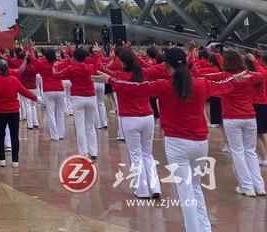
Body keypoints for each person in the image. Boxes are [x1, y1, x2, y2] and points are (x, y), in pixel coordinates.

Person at [96, 48, 251, 232]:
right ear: (186, 63)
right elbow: (222, 85)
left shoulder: (164, 86)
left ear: (167, 66)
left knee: (185, 192)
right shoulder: (201, 84)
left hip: (177, 144)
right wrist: (235, 79)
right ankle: (204, 228)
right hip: (200, 143)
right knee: (195, 188)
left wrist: (111, 80)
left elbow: (136, 88)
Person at [197, 51, 266, 197]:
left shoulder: (224, 76)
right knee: (250, 152)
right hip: (250, 116)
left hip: (231, 118)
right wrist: (254, 61)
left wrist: (194, 58)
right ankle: (259, 186)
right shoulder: (248, 74)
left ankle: (246, 186)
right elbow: (263, 73)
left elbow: (199, 75)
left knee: (237, 152)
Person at [103, 48, 161, 199]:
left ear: (122, 63)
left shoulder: (118, 77)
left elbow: (104, 73)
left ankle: (142, 191)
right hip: (148, 117)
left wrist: (101, 57)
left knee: (136, 155)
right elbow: (158, 68)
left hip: (130, 119)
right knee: (147, 154)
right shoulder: (144, 74)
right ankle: (155, 187)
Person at [0, 58, 39, 167]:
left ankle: (2, 159)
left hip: (1, 111)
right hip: (14, 111)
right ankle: (15, 161)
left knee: (0, 135)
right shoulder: (14, 80)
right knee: (14, 136)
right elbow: (24, 91)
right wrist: (36, 98)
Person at [55, 48, 99, 159]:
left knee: (80, 126)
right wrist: (97, 53)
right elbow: (97, 66)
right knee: (90, 126)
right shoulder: (90, 67)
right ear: (85, 57)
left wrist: (55, 65)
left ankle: (83, 152)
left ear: (74, 57)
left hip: (78, 98)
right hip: (91, 97)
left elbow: (57, 75)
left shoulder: (71, 68)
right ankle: (93, 152)